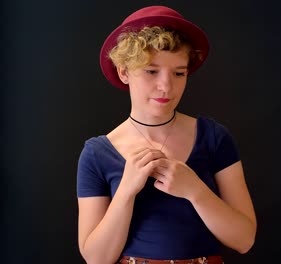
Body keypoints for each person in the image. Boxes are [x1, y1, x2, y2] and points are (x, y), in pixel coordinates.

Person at [76, 5, 257, 264]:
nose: (166, 86)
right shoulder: (96, 154)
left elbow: (244, 240)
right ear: (124, 72)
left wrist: (195, 190)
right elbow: (97, 259)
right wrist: (126, 191)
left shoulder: (214, 137)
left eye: (179, 73)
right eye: (151, 71)